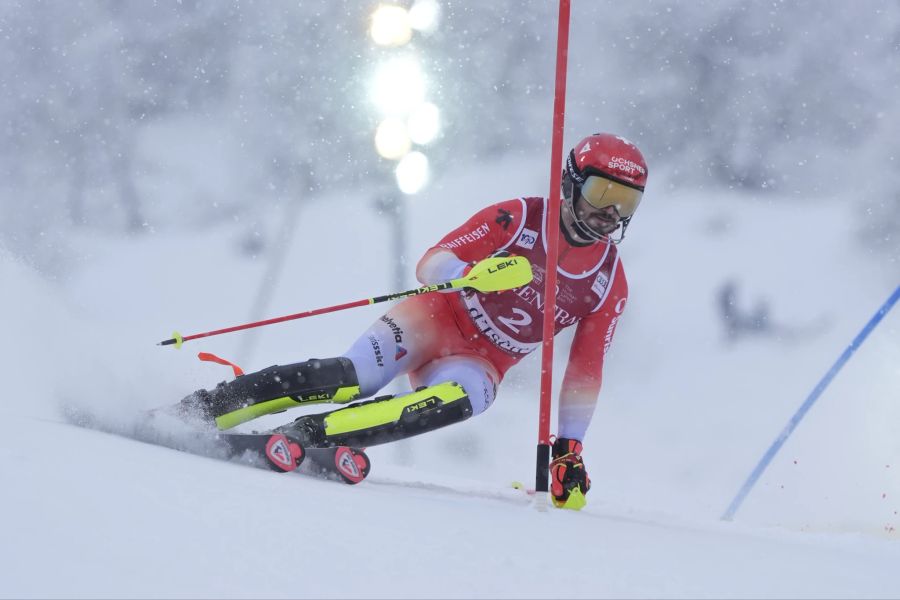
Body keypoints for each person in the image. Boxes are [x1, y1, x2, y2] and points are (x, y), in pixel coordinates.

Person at [178, 132, 648, 510]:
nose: (609, 213)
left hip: (483, 361)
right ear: (570, 181)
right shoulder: (520, 217)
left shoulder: (608, 283)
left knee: (459, 400)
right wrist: (468, 275)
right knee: (353, 378)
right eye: (601, 192)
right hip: (434, 319)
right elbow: (432, 261)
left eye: (625, 203)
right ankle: (203, 409)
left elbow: (586, 370)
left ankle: (305, 436)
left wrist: (569, 449)